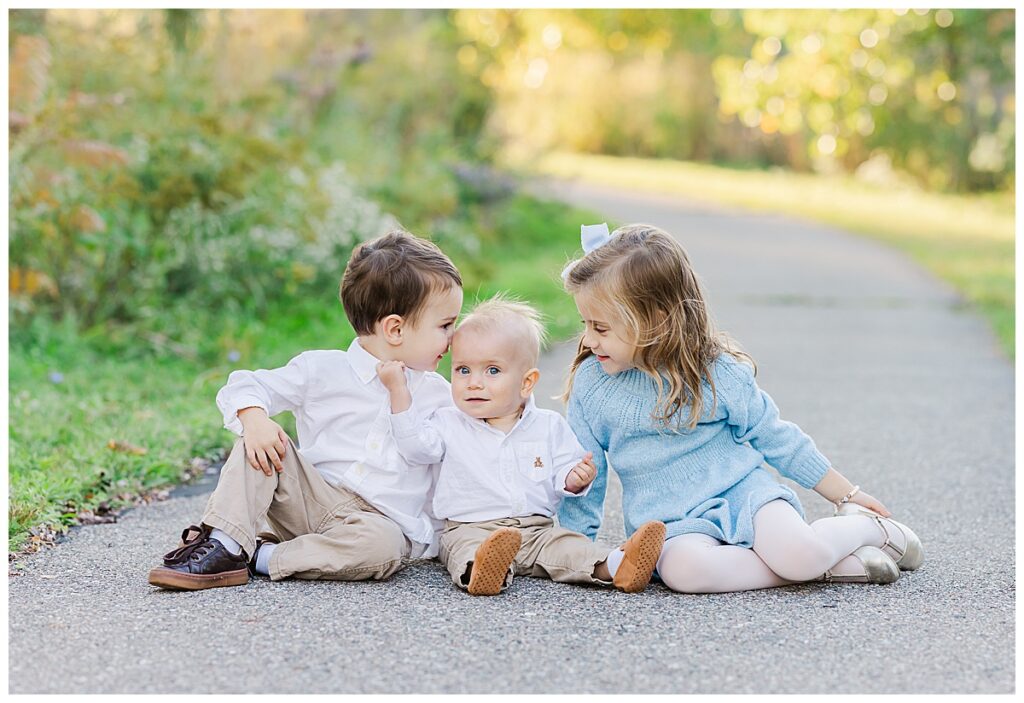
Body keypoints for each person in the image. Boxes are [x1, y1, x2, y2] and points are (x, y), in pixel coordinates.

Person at [557, 223, 924, 593]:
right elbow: (587, 478)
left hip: (745, 495)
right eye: (585, 324)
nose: (588, 339)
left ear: (657, 321)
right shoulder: (592, 386)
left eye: (601, 328)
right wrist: (577, 554)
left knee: (800, 554)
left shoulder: (715, 373)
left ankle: (867, 528)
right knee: (684, 574)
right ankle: (834, 567)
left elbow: (776, 438)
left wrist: (846, 495)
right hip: (670, 524)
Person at [148, 229, 463, 590]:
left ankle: (262, 558)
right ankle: (225, 543)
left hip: (377, 524)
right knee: (260, 443)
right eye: (445, 325)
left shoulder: (439, 395)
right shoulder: (321, 370)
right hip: (311, 498)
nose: (453, 338)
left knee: (382, 548)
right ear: (395, 329)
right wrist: (254, 419)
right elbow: (246, 385)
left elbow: (451, 468)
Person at [377, 295, 666, 596]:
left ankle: (618, 565)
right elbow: (416, 448)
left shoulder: (548, 426)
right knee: (465, 551)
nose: (474, 383)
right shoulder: (447, 423)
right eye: (463, 370)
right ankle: (484, 571)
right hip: (469, 528)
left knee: (570, 547)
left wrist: (575, 478)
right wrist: (399, 392)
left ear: (527, 383)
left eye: (492, 371)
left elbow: (565, 469)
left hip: (536, 529)